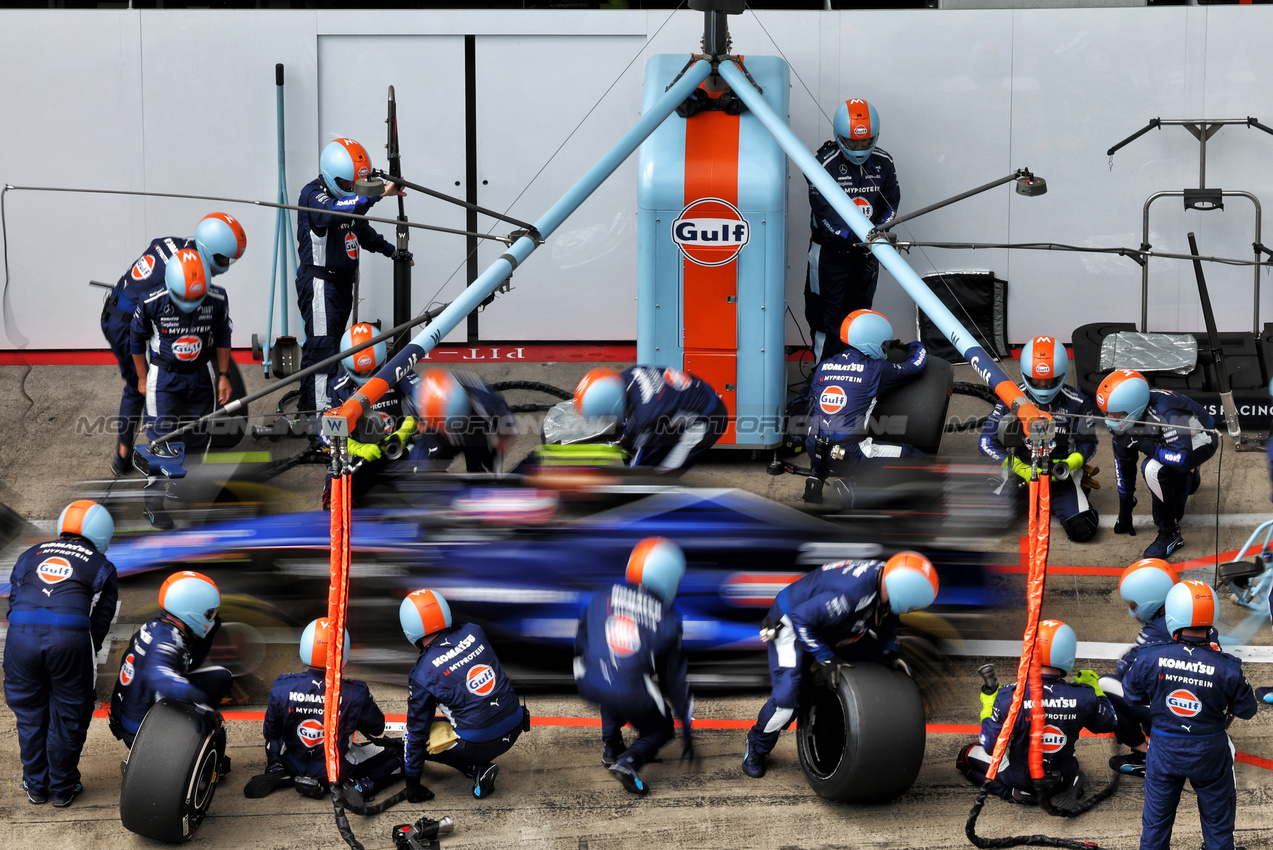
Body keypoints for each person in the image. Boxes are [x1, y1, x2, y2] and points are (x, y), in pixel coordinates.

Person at [742, 551, 938, 779]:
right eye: (912, 605)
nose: (910, 609)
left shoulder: (888, 579)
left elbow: (889, 616)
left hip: (828, 622)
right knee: (787, 704)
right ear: (903, 594)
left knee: (878, 658)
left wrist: (890, 653)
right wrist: (827, 658)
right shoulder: (849, 596)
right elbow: (801, 620)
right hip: (791, 626)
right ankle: (756, 745)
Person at [101, 213, 246, 476]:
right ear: (208, 250)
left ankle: (181, 438)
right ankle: (122, 456)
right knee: (139, 386)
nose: (225, 266)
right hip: (123, 323)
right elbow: (151, 315)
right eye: (223, 259)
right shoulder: (183, 271)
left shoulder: (181, 248)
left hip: (123, 305)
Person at [1125, 579, 1257, 850]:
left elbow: (1132, 695)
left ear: (1173, 616)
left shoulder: (1149, 657)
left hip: (1163, 751)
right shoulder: (1227, 667)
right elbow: (1248, 709)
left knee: (1155, 826)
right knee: (1218, 828)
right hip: (1210, 752)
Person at [3, 501, 117, 807]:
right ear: (103, 533)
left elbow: (13, 605)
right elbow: (100, 625)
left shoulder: (31, 555)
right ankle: (63, 789)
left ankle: (36, 786)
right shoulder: (102, 566)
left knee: (29, 714)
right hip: (70, 639)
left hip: (19, 640)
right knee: (68, 716)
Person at [574, 538, 695, 796]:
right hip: (627, 687)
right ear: (669, 577)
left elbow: (583, 636)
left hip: (589, 679)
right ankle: (629, 762)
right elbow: (673, 680)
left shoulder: (603, 594)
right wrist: (685, 726)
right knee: (661, 728)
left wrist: (584, 666)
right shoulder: (668, 618)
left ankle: (611, 747)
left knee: (611, 681)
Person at [955, 619, 1117, 807]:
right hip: (1063, 776)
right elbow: (1109, 722)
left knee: (964, 756)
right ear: (1068, 654)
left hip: (1022, 778)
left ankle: (1011, 793)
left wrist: (990, 704)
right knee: (1069, 757)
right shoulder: (1084, 695)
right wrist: (1094, 688)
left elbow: (991, 746)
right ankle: (1070, 785)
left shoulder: (1009, 697)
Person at [295, 138, 404, 414]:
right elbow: (336, 211)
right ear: (332, 177)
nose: (350, 191)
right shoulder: (313, 196)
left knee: (325, 348)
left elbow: (363, 232)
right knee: (324, 351)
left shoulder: (349, 200)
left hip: (341, 286)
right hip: (321, 284)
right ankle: (322, 423)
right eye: (346, 185)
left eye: (355, 185)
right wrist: (377, 194)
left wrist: (393, 251)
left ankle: (309, 406)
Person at [245, 618, 402, 807]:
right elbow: (377, 728)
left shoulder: (282, 684)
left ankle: (277, 769)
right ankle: (363, 785)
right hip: (336, 768)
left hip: (293, 760)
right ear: (342, 652)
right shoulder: (355, 691)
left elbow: (270, 733)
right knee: (402, 750)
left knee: (276, 734)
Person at [129, 248, 233, 529]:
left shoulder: (217, 298)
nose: (190, 301)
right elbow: (135, 341)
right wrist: (141, 377)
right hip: (164, 378)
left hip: (201, 375)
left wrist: (223, 375)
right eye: (184, 296)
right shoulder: (152, 301)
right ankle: (152, 504)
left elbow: (223, 334)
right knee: (162, 444)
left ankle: (183, 488)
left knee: (199, 440)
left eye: (195, 296)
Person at [400, 588, 526, 800]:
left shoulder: (422, 673)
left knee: (409, 736)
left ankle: (474, 765)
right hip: (515, 724)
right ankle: (477, 768)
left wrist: (412, 786)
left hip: (480, 742)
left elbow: (417, 732)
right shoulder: (474, 631)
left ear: (409, 629)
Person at [804, 98, 900, 363]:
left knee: (860, 318)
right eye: (853, 141)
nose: (860, 148)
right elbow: (824, 215)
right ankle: (821, 378)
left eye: (866, 141)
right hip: (829, 256)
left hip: (868, 255)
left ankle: (858, 376)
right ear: (838, 136)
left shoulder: (884, 162)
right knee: (827, 319)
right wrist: (852, 239)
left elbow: (890, 205)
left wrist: (877, 235)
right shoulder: (823, 164)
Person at [979, 335, 1102, 541]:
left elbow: (1089, 443)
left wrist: (1072, 462)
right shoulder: (1010, 398)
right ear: (1026, 374)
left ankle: (1070, 499)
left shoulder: (1077, 403)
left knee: (1083, 530)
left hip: (1060, 474)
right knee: (988, 522)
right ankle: (1014, 495)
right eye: (1037, 381)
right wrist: (1016, 466)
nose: (1043, 387)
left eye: (1049, 381)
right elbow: (986, 441)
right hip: (1019, 474)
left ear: (1061, 375)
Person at [801, 309, 927, 504]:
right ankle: (854, 488)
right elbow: (915, 367)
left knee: (825, 427)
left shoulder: (823, 366)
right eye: (884, 344)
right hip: (848, 454)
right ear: (872, 341)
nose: (885, 349)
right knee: (915, 457)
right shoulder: (876, 369)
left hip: (812, 448)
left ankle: (815, 478)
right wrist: (916, 345)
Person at [1095, 369, 1218, 559]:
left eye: (1116, 414)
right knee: (1163, 466)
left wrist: (1147, 445)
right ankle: (1189, 475)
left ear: (1133, 409)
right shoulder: (1121, 420)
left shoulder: (1168, 412)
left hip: (1199, 440)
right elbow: (1123, 464)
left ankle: (1170, 533)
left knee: (1152, 468)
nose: (1110, 420)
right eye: (1107, 413)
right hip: (1167, 441)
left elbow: (1181, 458)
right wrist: (1125, 510)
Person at [108, 570, 232, 749]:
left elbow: (183, 663)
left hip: (129, 718)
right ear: (193, 611)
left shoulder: (155, 626)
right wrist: (199, 702)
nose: (212, 618)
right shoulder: (168, 642)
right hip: (144, 733)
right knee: (220, 678)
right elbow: (162, 676)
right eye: (210, 613)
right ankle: (185, 743)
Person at [323, 322, 420, 507]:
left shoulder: (398, 371)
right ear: (346, 364)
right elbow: (324, 430)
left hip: (397, 453)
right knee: (333, 502)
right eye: (361, 371)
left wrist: (403, 433)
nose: (367, 374)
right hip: (359, 460)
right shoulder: (337, 387)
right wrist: (358, 448)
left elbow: (425, 405)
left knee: (430, 494)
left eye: (373, 369)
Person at [573, 365, 726, 473]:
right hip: (683, 402)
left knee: (659, 476)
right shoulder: (626, 376)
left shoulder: (645, 417)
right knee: (631, 444)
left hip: (708, 418)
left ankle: (663, 511)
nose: (603, 423)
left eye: (603, 419)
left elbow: (640, 465)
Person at [410, 368, 516, 475]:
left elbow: (505, 435)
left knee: (485, 479)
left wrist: (492, 462)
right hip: (440, 428)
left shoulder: (489, 403)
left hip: (477, 429)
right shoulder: (422, 397)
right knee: (419, 471)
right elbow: (419, 422)